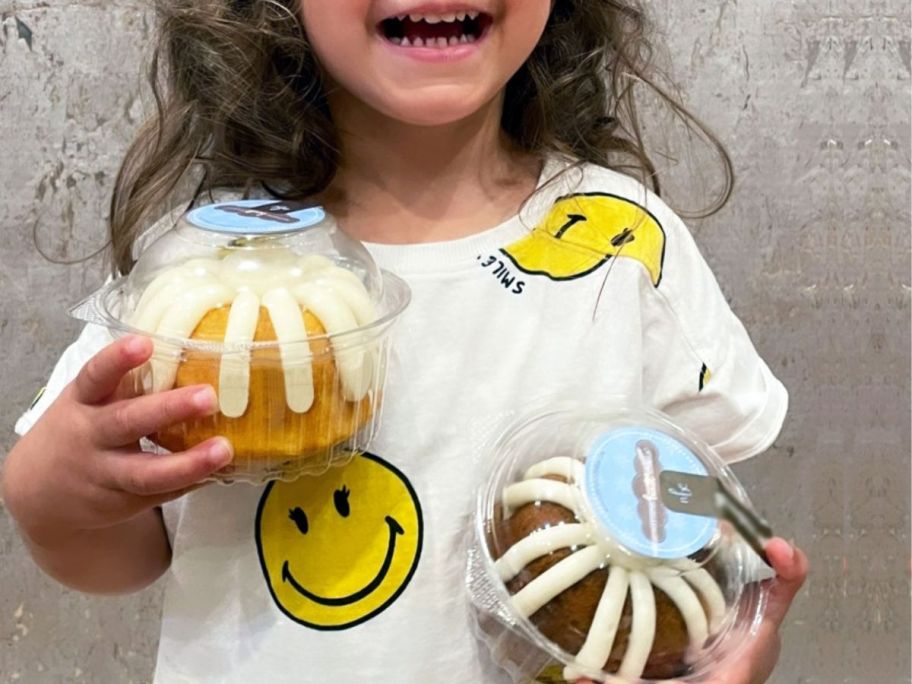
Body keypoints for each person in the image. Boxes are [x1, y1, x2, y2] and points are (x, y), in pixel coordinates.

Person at [2, 1, 807, 682]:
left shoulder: (624, 243)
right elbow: (122, 560)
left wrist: (733, 639)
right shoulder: (202, 274)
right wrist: (50, 495)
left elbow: (707, 511)